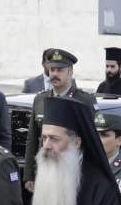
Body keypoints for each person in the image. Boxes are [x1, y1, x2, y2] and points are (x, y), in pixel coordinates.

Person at [23, 48, 95, 192]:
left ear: (70, 71)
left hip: (73, 173)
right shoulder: (40, 100)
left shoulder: (84, 101)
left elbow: (92, 140)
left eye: (60, 70)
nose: (54, 74)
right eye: (52, 70)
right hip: (45, 170)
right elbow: (32, 139)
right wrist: (29, 174)